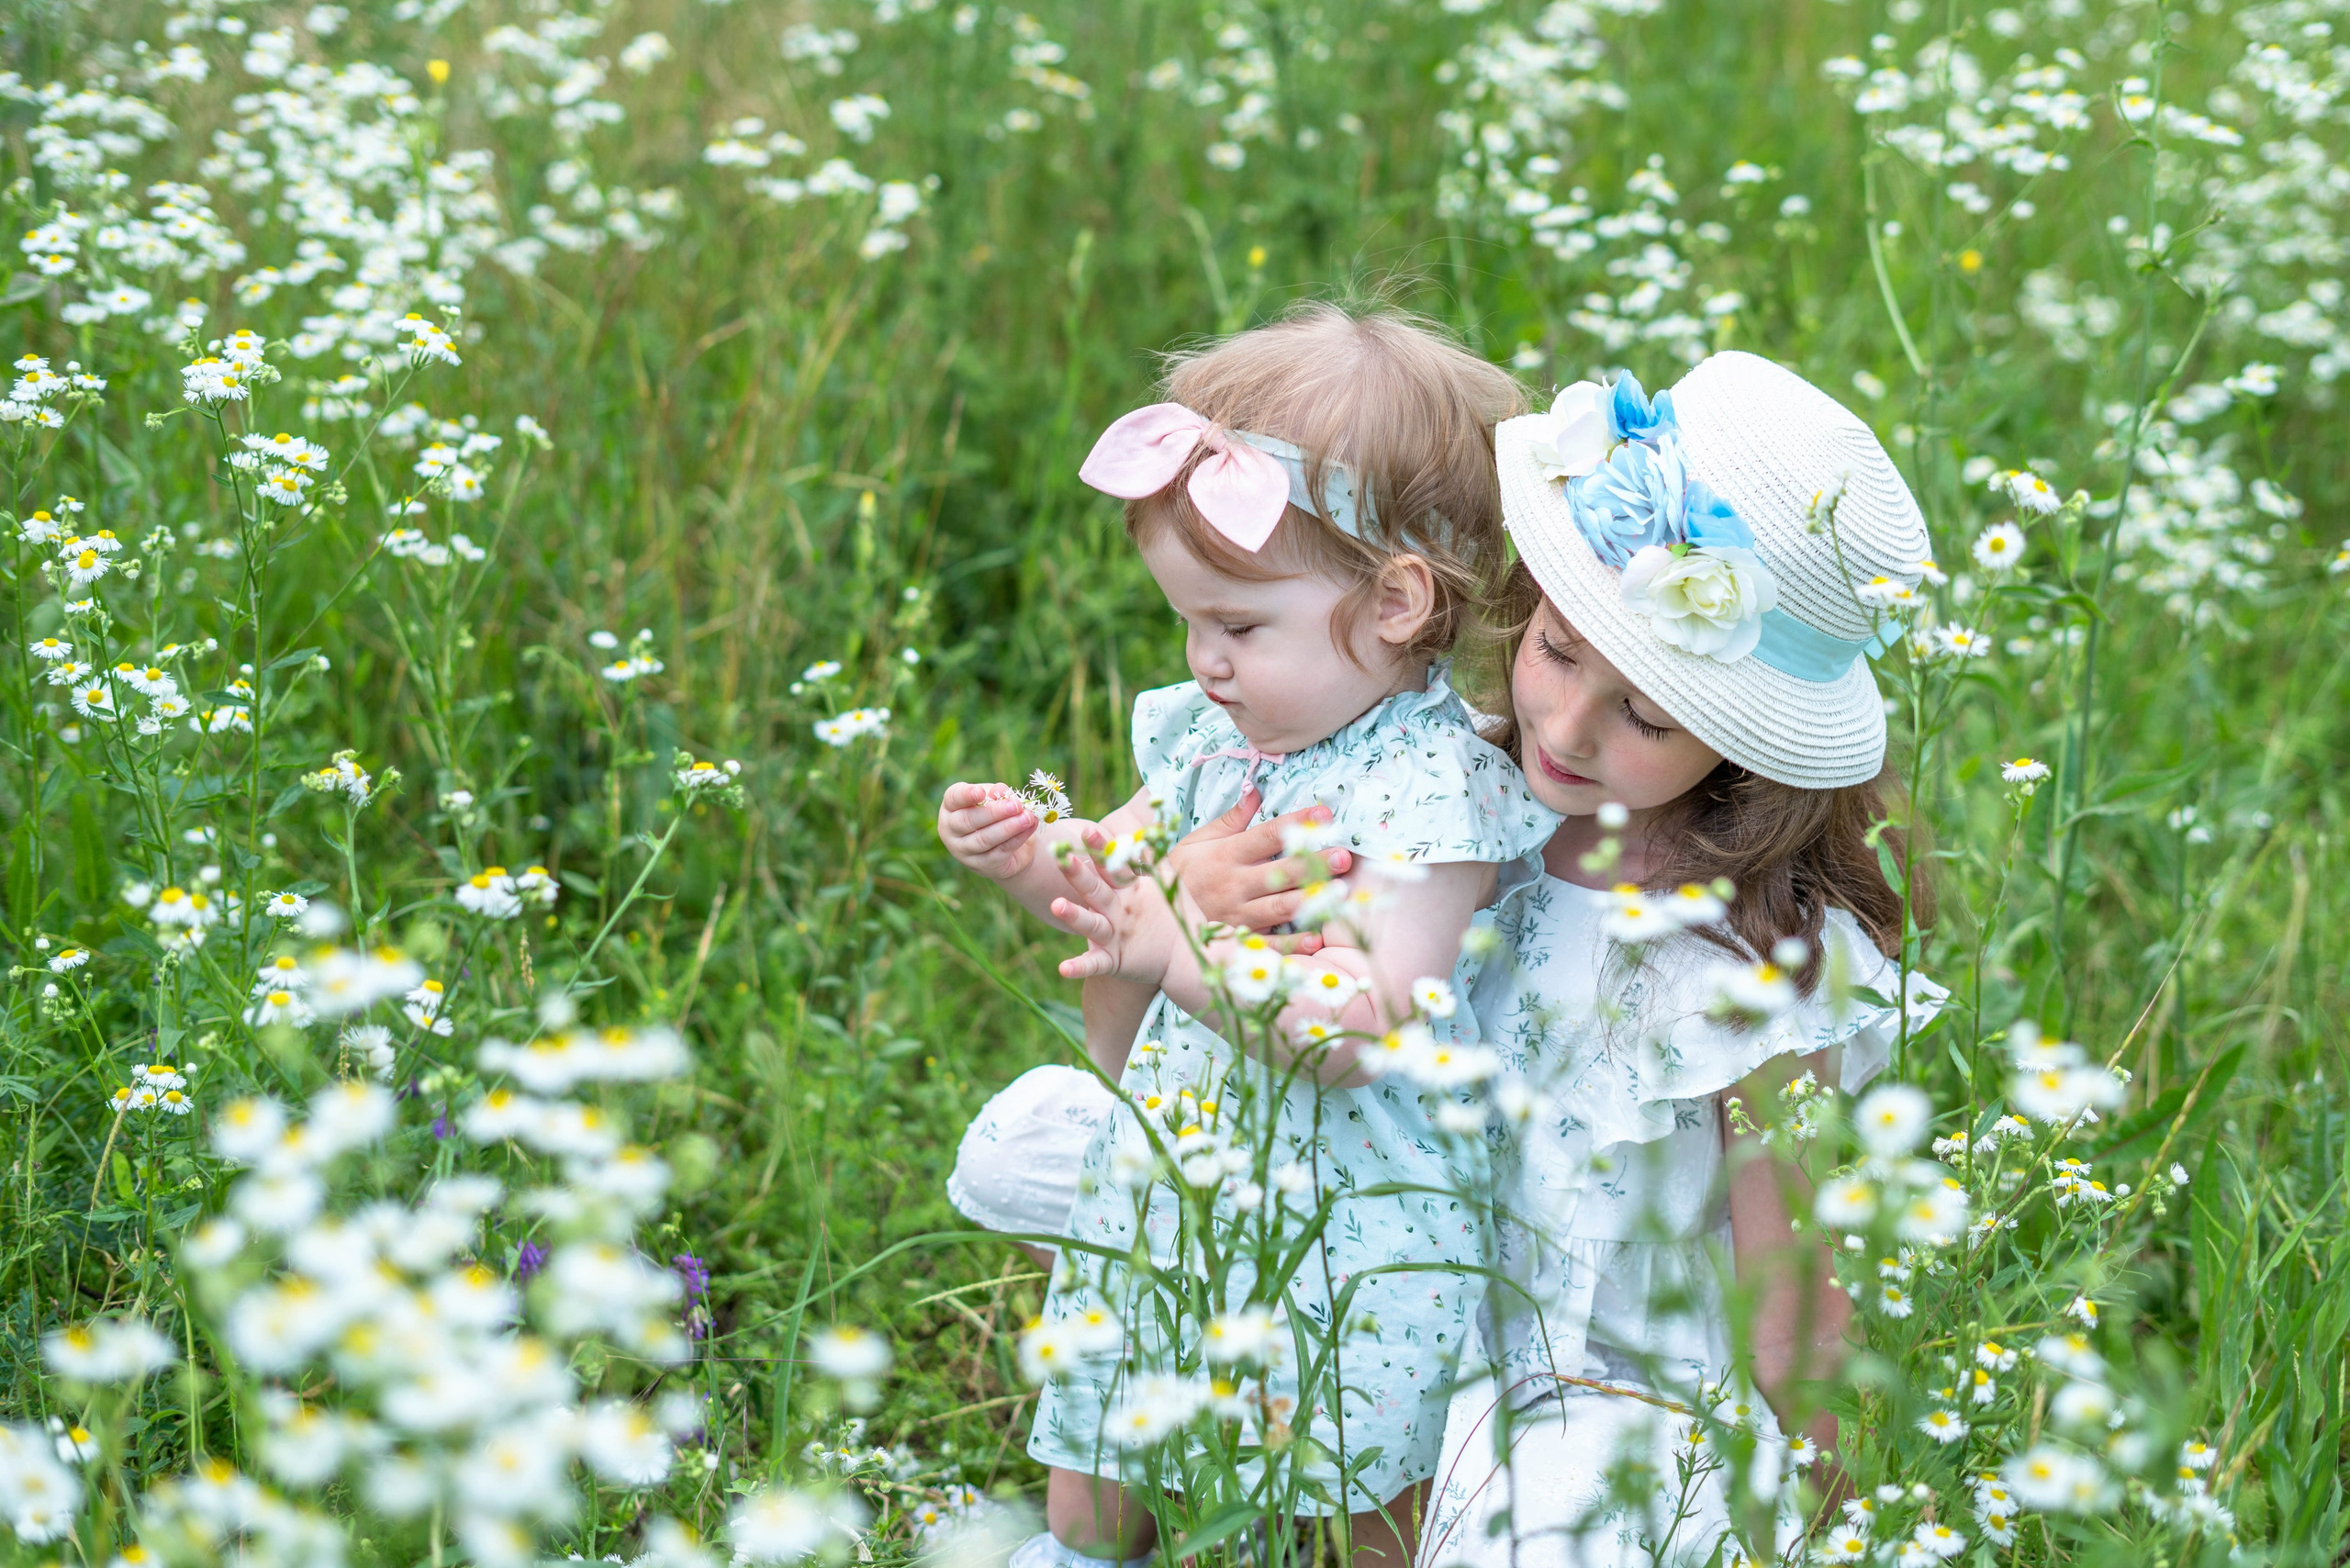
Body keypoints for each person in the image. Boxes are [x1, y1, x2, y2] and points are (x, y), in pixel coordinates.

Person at [1146, 351, 1950, 1566]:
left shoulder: (1747, 971)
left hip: (1601, 1384)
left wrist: (1840, 1511)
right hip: (1378, 1290)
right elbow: (1260, 991)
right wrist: (1187, 893)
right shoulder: (1438, 797)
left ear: (1744, 746)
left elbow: (1791, 1303)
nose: (1562, 731)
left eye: (1645, 716)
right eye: (1559, 654)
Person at [934, 302, 1556, 1568]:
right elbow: (1117, 882)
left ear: (1395, 603)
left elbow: (1367, 1026)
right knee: (1106, 1434)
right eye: (1188, 621)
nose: (1203, 661)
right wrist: (1028, 856)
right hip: (1175, 1171)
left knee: (1353, 1478)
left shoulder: (1435, 795)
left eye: (1238, 626)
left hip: (1356, 1220)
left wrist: (1176, 952)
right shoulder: (1219, 741)